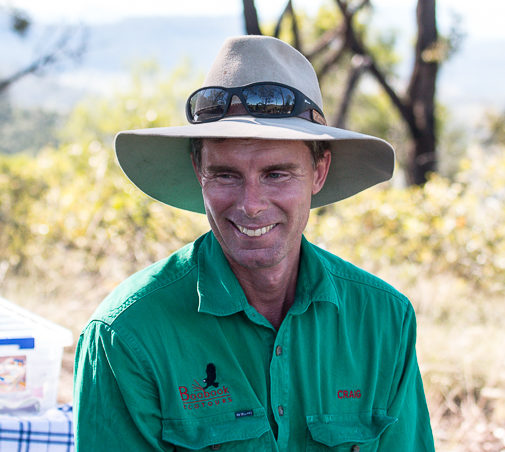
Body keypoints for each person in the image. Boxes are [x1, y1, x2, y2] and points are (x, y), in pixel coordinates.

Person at [73, 35, 435, 451]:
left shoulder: (383, 320)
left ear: (319, 171)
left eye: (276, 174)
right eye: (226, 175)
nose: (251, 205)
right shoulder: (127, 334)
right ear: (198, 170)